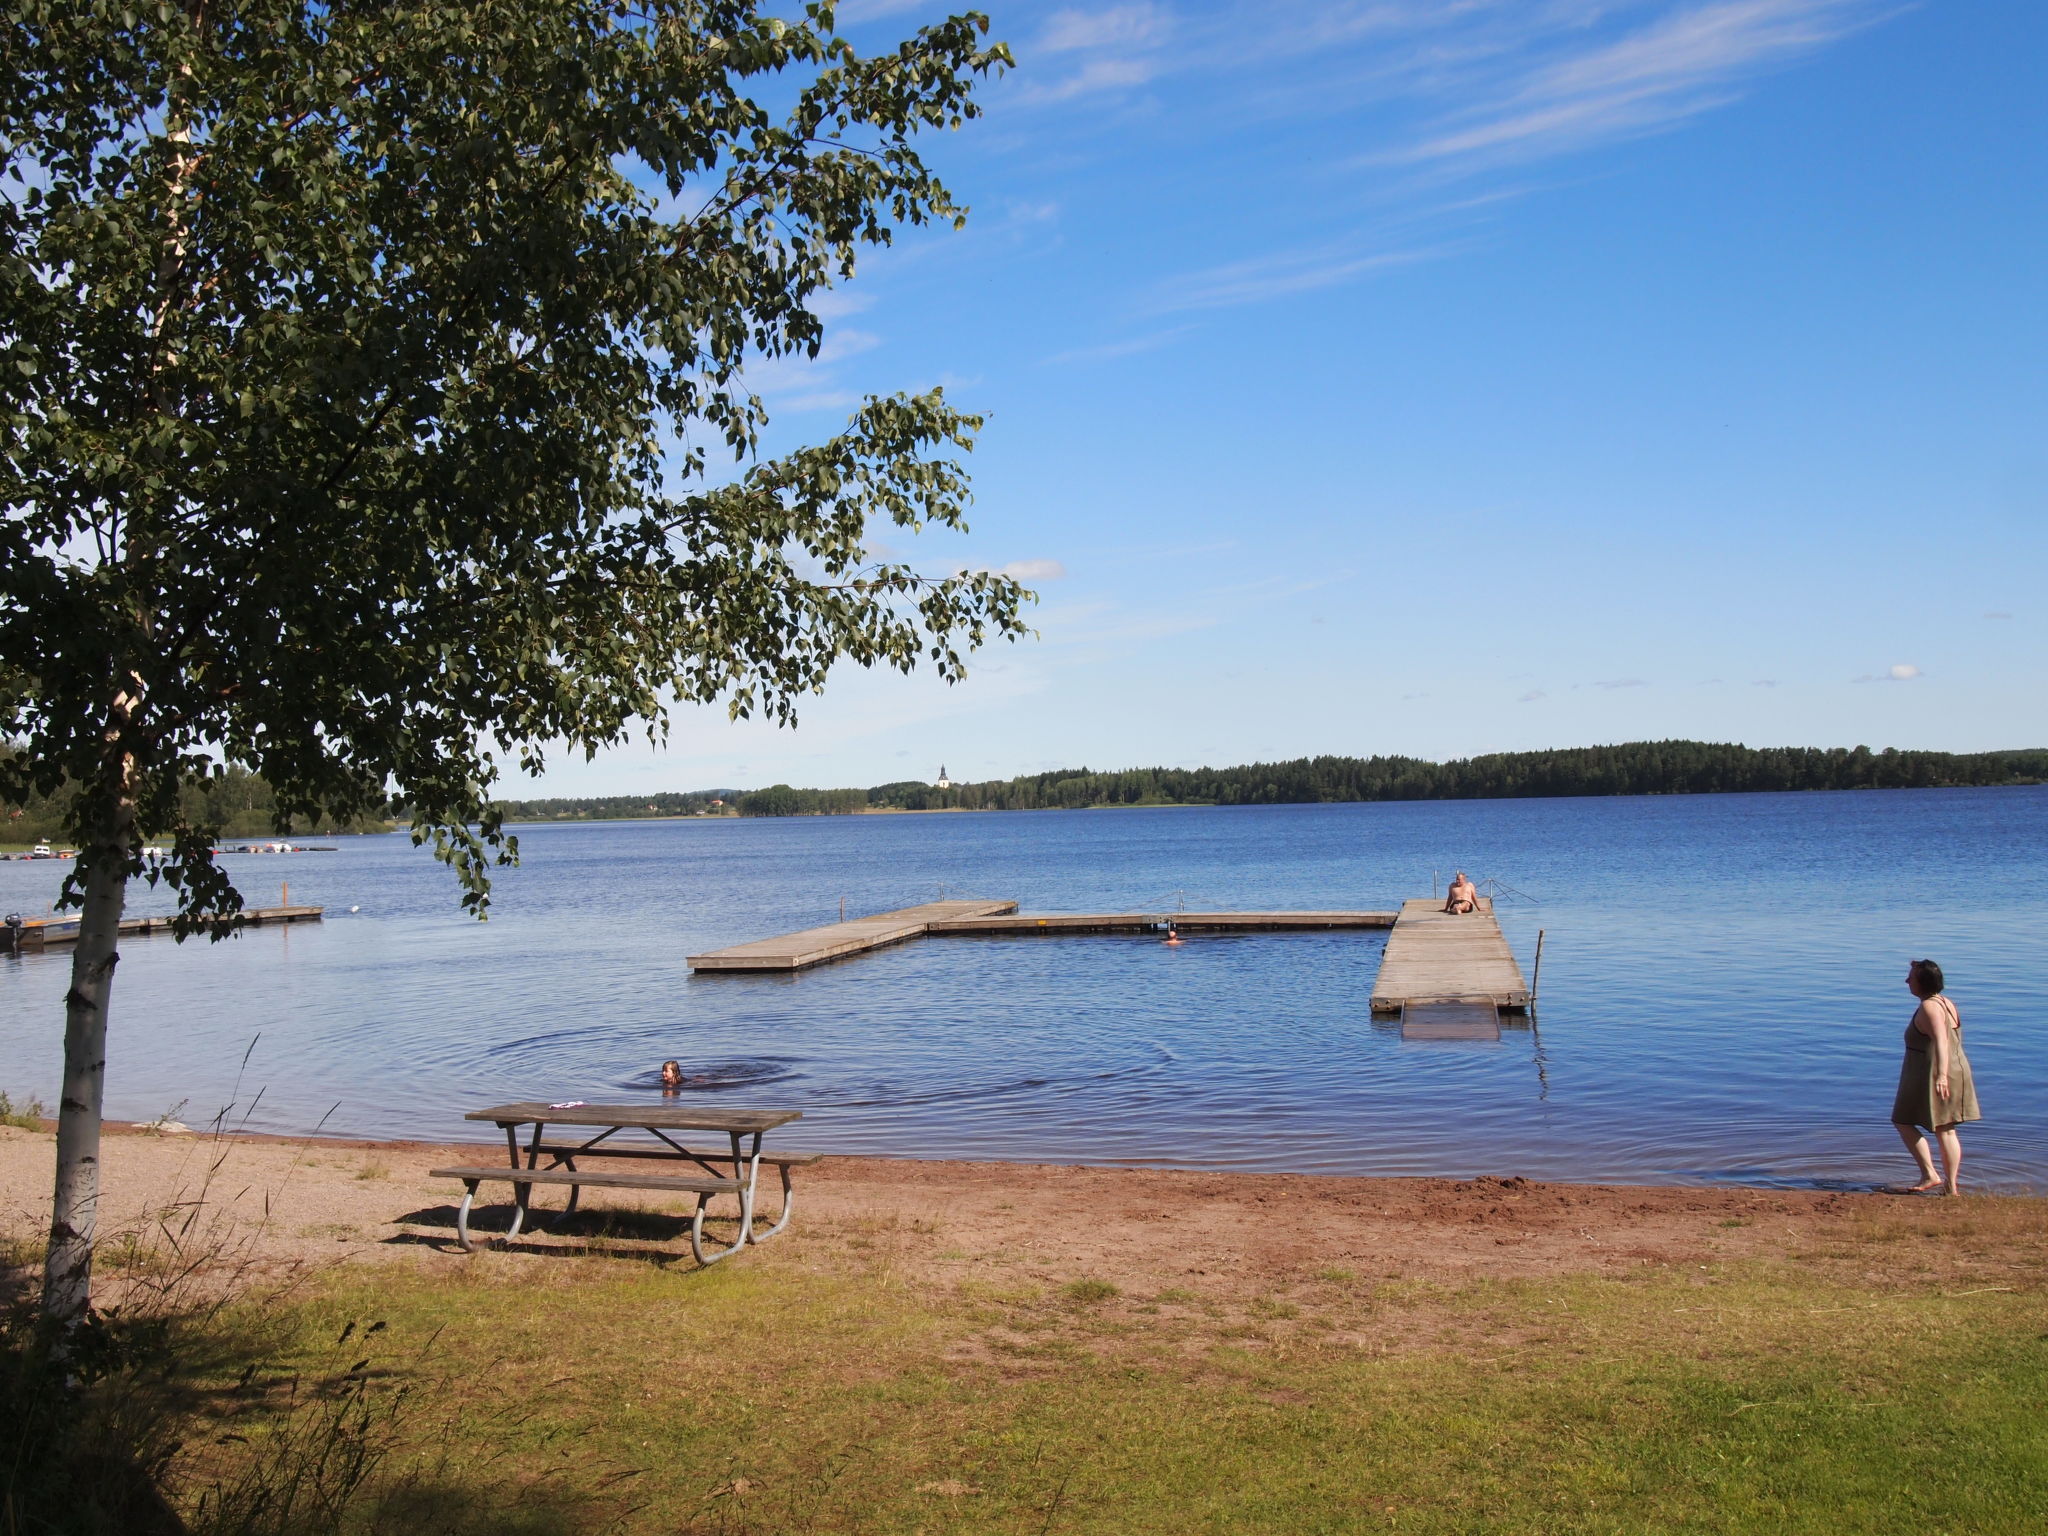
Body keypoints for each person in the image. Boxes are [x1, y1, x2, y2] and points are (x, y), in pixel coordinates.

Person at [1890, 959, 1981, 1196]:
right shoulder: (1946, 1002)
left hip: (1934, 1073)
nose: (1907, 981)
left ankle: (1930, 1174)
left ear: (1923, 982)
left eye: (1912, 977)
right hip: (1956, 1069)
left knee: (1903, 1120)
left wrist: (1940, 1076)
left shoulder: (1930, 1007)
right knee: (1946, 1129)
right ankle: (1950, 1187)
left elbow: (1941, 1039)